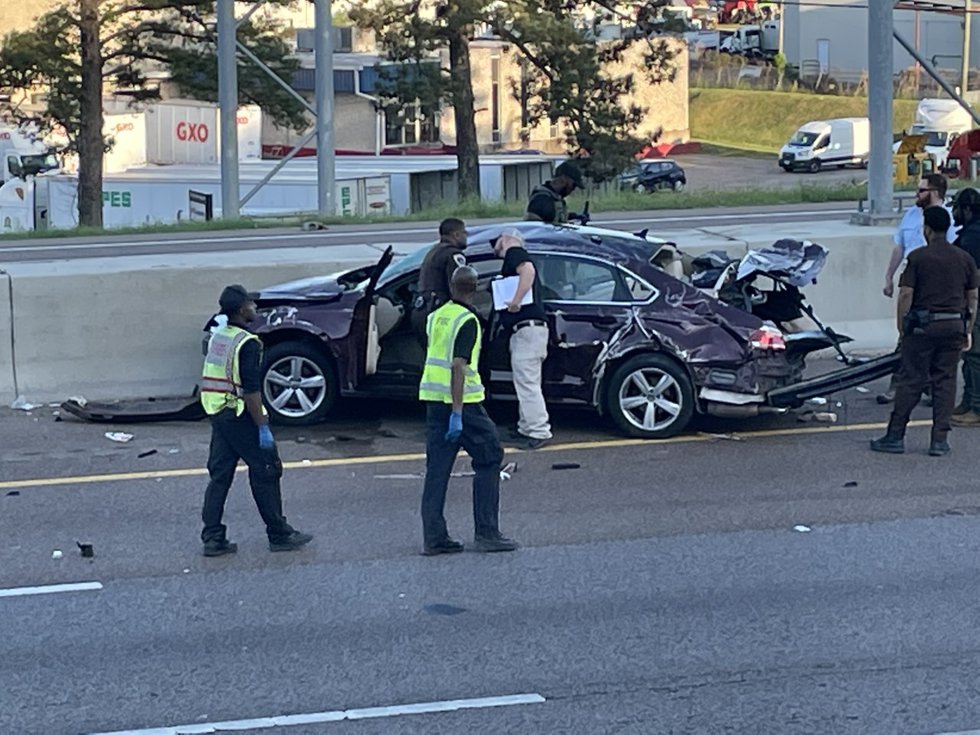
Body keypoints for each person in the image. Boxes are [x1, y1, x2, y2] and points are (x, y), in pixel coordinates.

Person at [199, 284, 313, 556]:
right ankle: (279, 533)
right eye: (251, 304)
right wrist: (262, 425)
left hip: (218, 411)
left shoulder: (219, 335)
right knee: (266, 470)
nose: (255, 307)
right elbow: (250, 390)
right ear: (241, 310)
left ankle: (213, 537)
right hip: (239, 414)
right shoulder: (247, 343)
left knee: (220, 475)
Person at [418, 266, 519, 556]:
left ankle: (434, 538)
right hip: (464, 405)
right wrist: (459, 413)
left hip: (432, 400)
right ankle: (487, 533)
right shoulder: (468, 321)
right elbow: (458, 367)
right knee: (489, 459)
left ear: (452, 287)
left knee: (437, 471)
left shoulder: (436, 316)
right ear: (474, 288)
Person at [870, 207, 978, 457]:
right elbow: (972, 297)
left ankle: (895, 436)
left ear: (926, 228)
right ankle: (939, 440)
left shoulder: (918, 257)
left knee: (911, 380)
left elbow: (906, 294)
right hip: (953, 326)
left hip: (922, 328)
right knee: (945, 381)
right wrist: (967, 329)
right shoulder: (964, 258)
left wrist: (902, 326)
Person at [877, 172, 957, 404]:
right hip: (910, 277)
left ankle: (930, 386)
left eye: (921, 190)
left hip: (934, 283)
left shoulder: (947, 219)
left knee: (929, 334)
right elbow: (899, 247)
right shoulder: (911, 215)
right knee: (907, 333)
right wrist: (889, 277)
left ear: (934, 193)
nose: (916, 194)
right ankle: (898, 384)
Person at [492, 228, 552, 449]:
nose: (495, 247)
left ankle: (538, 431)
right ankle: (526, 428)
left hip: (527, 329)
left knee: (527, 383)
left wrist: (515, 301)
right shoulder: (514, 256)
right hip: (530, 331)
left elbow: (528, 271)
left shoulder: (514, 252)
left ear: (506, 237)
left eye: (497, 241)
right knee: (527, 382)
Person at [411, 218, 469, 342]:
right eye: (465, 233)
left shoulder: (433, 252)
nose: (466, 236)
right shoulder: (453, 255)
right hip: (439, 314)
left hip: (423, 311)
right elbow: (459, 286)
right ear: (456, 234)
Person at [951, 187, 980, 427]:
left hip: (976, 303)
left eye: (957, 207)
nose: (954, 212)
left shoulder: (974, 236)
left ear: (968, 209)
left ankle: (977, 407)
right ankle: (968, 401)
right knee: (969, 355)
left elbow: (972, 275)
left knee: (975, 354)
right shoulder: (970, 233)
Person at [524, 160, 585, 225]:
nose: (573, 189)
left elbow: (553, 218)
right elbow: (535, 228)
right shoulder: (542, 199)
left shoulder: (554, 198)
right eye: (573, 185)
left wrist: (574, 217)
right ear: (564, 178)